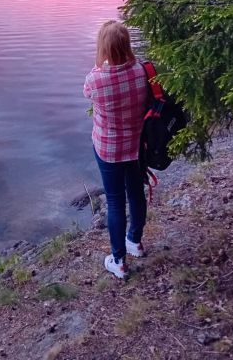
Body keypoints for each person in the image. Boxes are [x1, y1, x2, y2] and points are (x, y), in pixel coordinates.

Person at [83, 20, 149, 279]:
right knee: (136, 192)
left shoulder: (95, 79)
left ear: (104, 48)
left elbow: (87, 91)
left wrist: (101, 64)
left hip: (108, 149)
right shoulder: (142, 71)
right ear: (127, 44)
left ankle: (118, 260)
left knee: (114, 200)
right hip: (136, 146)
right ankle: (135, 241)